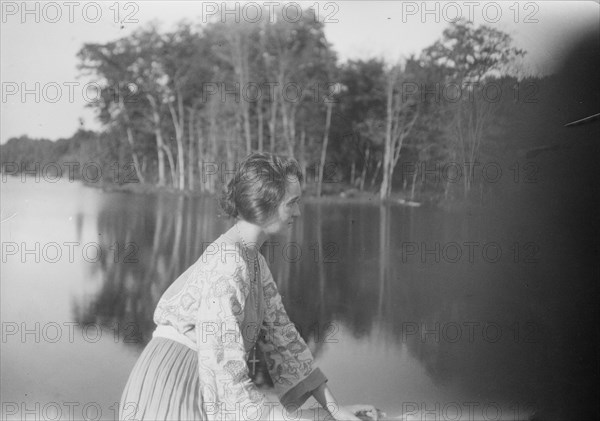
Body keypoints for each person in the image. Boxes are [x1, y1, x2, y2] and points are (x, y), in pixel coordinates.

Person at [119, 152, 377, 420]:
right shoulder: (228, 264)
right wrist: (307, 418)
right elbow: (225, 372)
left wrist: (335, 411)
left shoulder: (254, 261)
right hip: (172, 385)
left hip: (203, 379)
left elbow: (284, 341)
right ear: (264, 204)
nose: (298, 212)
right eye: (292, 203)